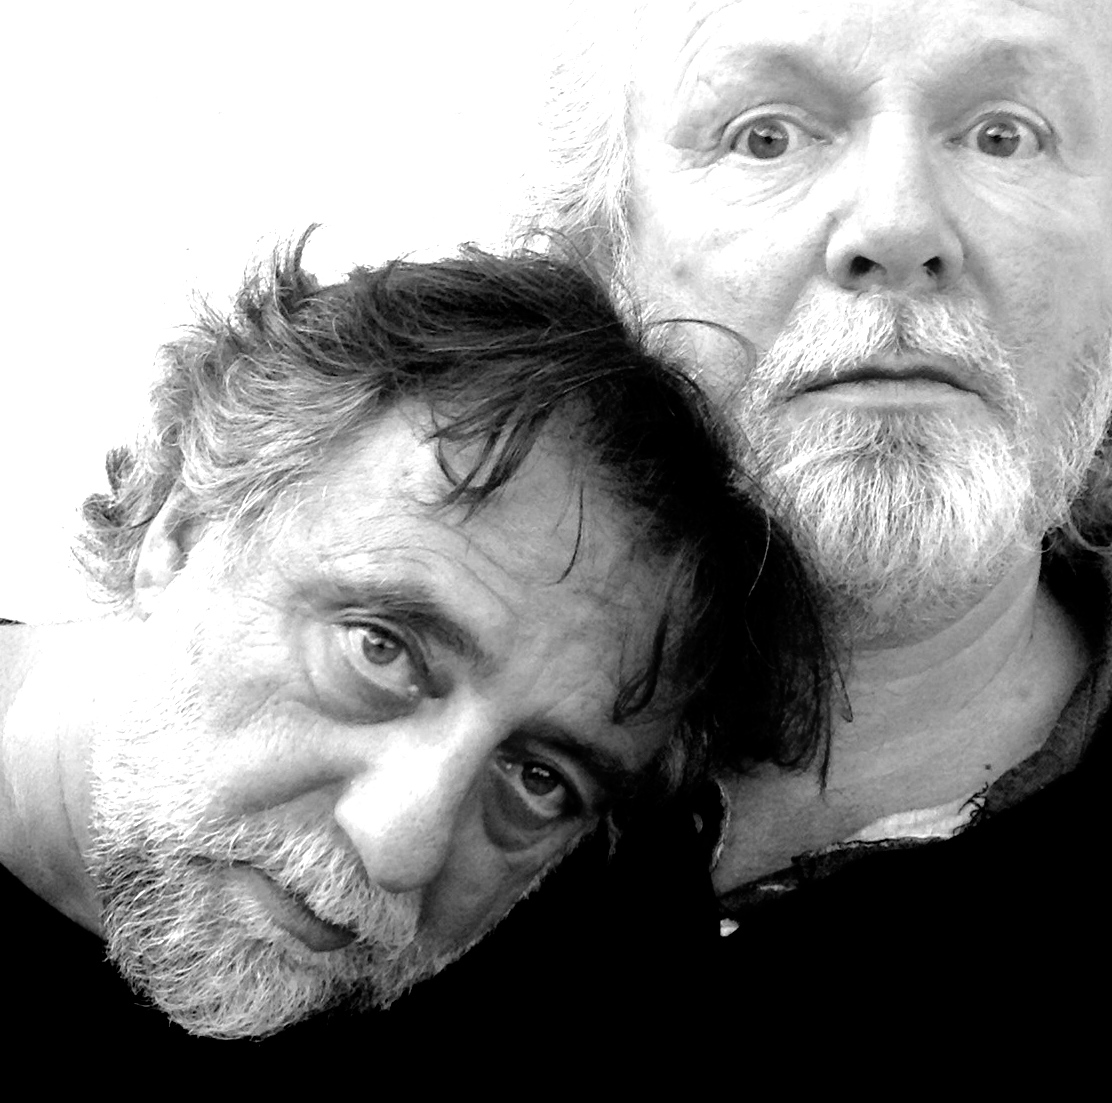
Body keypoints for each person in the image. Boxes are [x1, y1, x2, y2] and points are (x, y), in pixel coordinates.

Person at [0, 236, 830, 1054]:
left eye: (539, 778)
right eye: (380, 649)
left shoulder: (581, 984)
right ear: (179, 536)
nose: (401, 846)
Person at [531, 0, 1112, 1028]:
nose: (897, 226)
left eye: (1003, 135)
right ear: (599, 252)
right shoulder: (380, 766)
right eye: (765, 136)